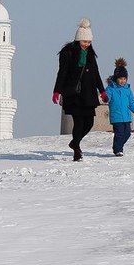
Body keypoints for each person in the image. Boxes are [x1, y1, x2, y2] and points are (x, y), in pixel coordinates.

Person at [52, 18, 107, 161]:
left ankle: (74, 142)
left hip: (88, 94)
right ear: (78, 40)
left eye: (89, 42)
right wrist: (57, 91)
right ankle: (77, 150)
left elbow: (96, 73)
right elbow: (62, 72)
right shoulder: (68, 52)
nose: (87, 45)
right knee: (79, 122)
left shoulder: (90, 54)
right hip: (73, 93)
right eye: (84, 42)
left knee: (89, 123)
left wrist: (102, 90)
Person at [105, 58, 134, 156]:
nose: (122, 81)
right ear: (116, 79)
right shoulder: (111, 88)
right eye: (120, 79)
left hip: (126, 116)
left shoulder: (127, 89)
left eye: (124, 79)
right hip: (116, 116)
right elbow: (107, 96)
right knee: (119, 133)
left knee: (127, 133)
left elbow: (131, 101)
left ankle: (118, 146)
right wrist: (105, 98)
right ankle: (117, 150)